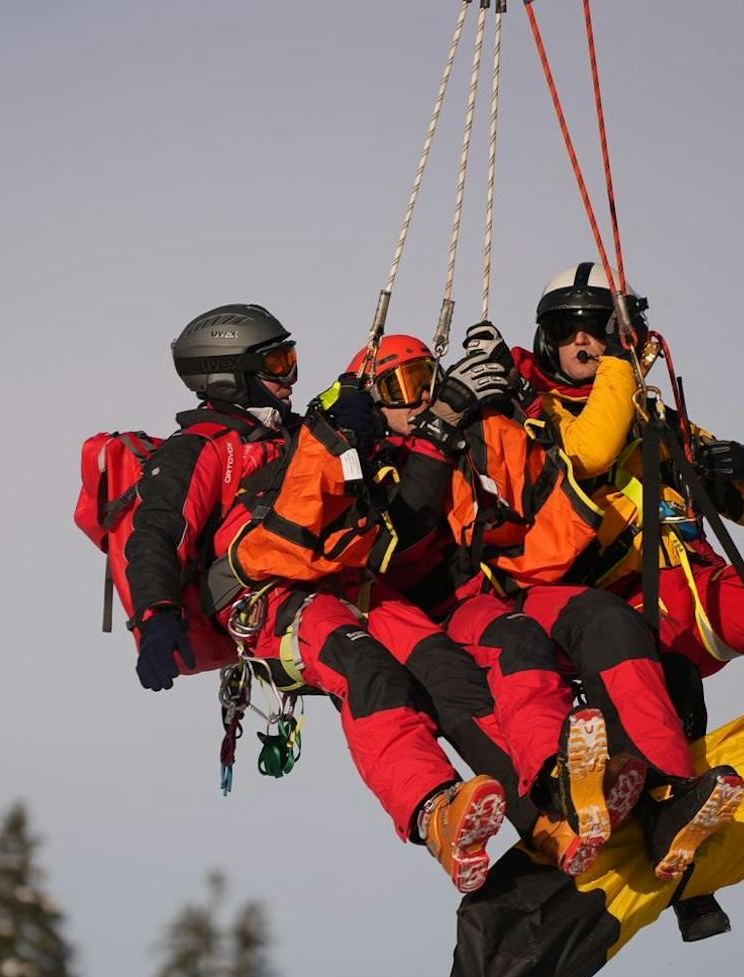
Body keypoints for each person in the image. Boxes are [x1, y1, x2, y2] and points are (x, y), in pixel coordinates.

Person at [499, 263, 744, 938]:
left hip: (696, 587)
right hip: (615, 604)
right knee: (669, 709)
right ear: (546, 340)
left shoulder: (659, 417)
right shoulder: (535, 422)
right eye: (570, 330)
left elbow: (743, 506)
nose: (588, 343)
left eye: (603, 328)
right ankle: (681, 875)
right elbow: (582, 468)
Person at [124, 303, 507, 894]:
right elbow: (157, 533)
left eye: (291, 358)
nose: (290, 375)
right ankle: (433, 808)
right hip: (265, 601)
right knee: (366, 668)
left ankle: (537, 789)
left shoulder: (289, 434)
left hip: (341, 583)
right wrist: (157, 616)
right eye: (277, 362)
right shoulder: (201, 449)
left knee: (442, 661)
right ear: (229, 374)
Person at [359, 332, 744, 881]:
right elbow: (395, 535)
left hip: (503, 586)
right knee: (514, 645)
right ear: (373, 401)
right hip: (433, 614)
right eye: (399, 386)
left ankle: (666, 785)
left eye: (426, 378)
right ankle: (554, 780)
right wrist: (439, 432)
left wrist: (507, 400)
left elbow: (546, 491)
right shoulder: (370, 462)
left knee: (607, 619)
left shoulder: (472, 435)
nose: (418, 397)